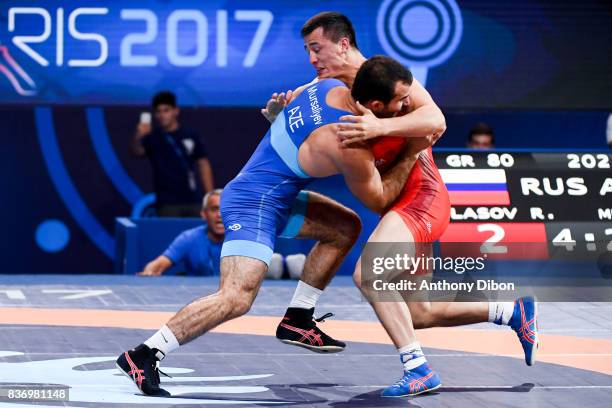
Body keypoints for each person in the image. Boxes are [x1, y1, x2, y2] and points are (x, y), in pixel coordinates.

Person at [263, 12, 537, 398]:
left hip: (421, 198)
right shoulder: (321, 87)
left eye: (316, 48)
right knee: (419, 313)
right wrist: (282, 121)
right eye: (307, 50)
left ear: (343, 44)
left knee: (369, 276)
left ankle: (418, 369)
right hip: (398, 202)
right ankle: (510, 312)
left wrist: (382, 127)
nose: (311, 58)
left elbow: (435, 118)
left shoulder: (388, 79)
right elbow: (317, 147)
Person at [116, 59, 422, 397]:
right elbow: (379, 200)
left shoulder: (326, 88)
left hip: (275, 192)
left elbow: (290, 121)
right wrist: (413, 149)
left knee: (344, 227)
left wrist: (277, 114)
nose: (408, 106)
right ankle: (144, 355)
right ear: (377, 105)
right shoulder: (349, 143)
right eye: (401, 100)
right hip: (254, 204)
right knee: (237, 297)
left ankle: (298, 317)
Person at [132, 91, 214, 217]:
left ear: (176, 111)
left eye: (166, 110)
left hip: (193, 200)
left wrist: (209, 196)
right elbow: (137, 152)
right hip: (167, 203)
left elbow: (203, 164)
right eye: (158, 111)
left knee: (196, 235)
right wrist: (139, 136)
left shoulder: (191, 134)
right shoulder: (153, 137)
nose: (162, 115)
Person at [138, 189, 224, 277]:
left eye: (226, 209)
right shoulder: (189, 238)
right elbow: (160, 263)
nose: (220, 215)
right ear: (204, 214)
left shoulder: (238, 240)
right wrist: (150, 270)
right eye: (214, 209)